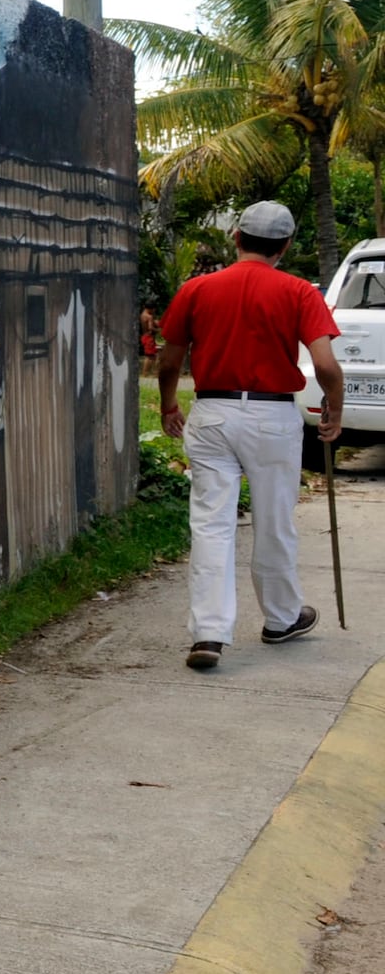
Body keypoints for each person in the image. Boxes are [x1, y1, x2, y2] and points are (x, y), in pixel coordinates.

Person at [156, 200, 345, 670]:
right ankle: (281, 619)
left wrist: (167, 404)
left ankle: (209, 634)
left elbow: (168, 360)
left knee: (211, 524)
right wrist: (333, 412)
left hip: (213, 412)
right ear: (285, 246)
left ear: (236, 238)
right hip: (272, 416)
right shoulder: (300, 292)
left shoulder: (197, 288)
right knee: (274, 520)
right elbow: (324, 365)